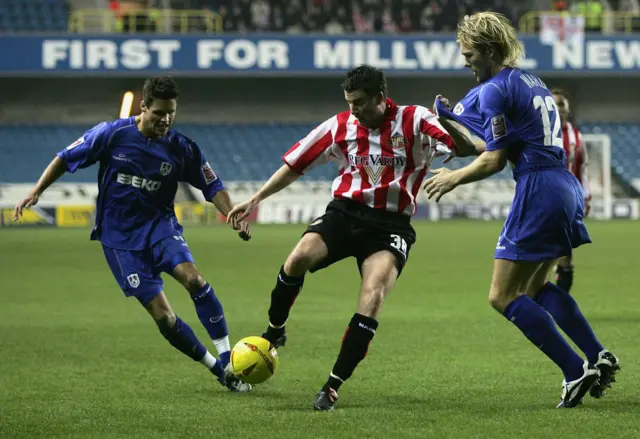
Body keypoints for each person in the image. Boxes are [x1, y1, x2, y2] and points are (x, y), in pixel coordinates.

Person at [227, 64, 473, 411]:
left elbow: (465, 147)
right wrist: (255, 199)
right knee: (297, 259)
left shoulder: (416, 120)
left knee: (372, 297)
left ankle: (332, 385)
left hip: (391, 226)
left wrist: (449, 123)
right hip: (345, 213)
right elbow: (296, 164)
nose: (353, 109)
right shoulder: (340, 125)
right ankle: (274, 330)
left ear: (380, 98)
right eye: (349, 102)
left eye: (359, 103)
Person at [424, 12, 619, 408]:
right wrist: (453, 122)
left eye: (469, 54)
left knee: (501, 295)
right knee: (534, 288)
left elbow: (494, 160)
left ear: (489, 50)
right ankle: (597, 355)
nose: (465, 61)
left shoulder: (495, 90)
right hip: (564, 183)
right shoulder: (529, 80)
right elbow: (497, 144)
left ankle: (574, 369)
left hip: (538, 186)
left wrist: (453, 177)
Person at [13, 77, 252, 393]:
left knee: (194, 279)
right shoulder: (112, 134)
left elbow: (212, 185)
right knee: (164, 317)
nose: (165, 120)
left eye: (171, 113)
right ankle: (217, 370)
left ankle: (227, 358)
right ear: (144, 107)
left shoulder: (181, 148)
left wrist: (231, 212)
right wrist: (36, 191)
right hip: (119, 240)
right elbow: (65, 158)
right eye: (158, 113)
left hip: (159, 227)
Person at [551, 88, 591, 293]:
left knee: (565, 252)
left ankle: (561, 298)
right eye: (554, 103)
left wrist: (586, 197)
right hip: (542, 199)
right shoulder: (537, 131)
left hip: (568, 200)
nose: (558, 108)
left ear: (568, 109)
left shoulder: (576, 136)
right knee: (540, 252)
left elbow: (582, 167)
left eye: (561, 104)